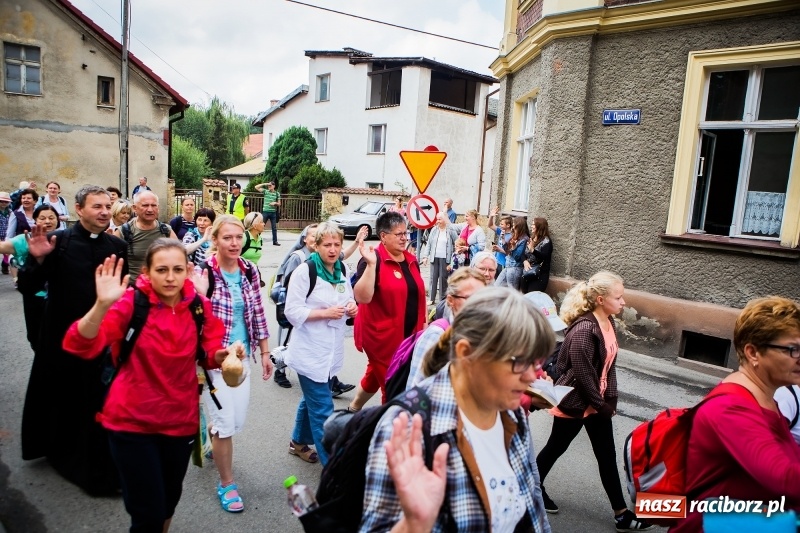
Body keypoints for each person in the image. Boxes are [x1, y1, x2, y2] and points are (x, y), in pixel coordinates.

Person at [62, 242, 230, 532]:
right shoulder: (131, 303)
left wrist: (223, 356)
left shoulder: (198, 307)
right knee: (147, 513)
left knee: (168, 502)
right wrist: (102, 305)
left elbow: (210, 350)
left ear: (187, 272)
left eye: (177, 270)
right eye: (161, 270)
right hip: (131, 422)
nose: (169, 277)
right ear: (147, 272)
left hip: (180, 420)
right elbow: (79, 344)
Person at [361, 287, 554, 532]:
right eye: (518, 361)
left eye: (536, 362)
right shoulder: (409, 425)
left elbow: (532, 509)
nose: (530, 377)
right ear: (466, 353)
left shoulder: (509, 409)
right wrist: (413, 524)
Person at [19, 185, 128, 495]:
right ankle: (58, 450)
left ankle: (93, 463)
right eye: (97, 207)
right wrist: (36, 261)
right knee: (61, 398)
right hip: (59, 338)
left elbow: (120, 296)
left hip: (99, 339)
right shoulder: (59, 242)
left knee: (94, 401)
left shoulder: (116, 246)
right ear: (79, 209)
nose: (105, 212)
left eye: (108, 206)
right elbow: (28, 287)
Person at [535, 271, 654, 532]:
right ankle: (531, 488)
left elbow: (608, 365)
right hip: (576, 401)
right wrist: (602, 405)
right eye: (618, 297)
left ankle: (621, 513)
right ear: (600, 299)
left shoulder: (608, 323)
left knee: (606, 455)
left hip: (596, 401)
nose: (623, 302)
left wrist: (610, 396)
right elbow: (583, 374)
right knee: (556, 447)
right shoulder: (584, 330)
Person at [670, 296, 800, 532]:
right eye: (793, 349)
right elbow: (785, 479)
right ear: (753, 352)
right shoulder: (731, 408)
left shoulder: (767, 400)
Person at [192, 214, 273, 513]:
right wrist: (198, 295)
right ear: (215, 240)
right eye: (227, 237)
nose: (235, 243)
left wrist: (265, 353)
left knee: (235, 422)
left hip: (242, 358)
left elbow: (258, 314)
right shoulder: (204, 273)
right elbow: (192, 320)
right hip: (214, 361)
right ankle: (227, 484)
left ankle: (210, 429)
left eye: (238, 237)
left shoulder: (249, 270)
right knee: (227, 424)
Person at [283, 222, 358, 465]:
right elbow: (292, 311)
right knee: (323, 410)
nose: (333, 249)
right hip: (309, 351)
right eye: (327, 244)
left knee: (314, 398)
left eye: (337, 244)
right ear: (316, 246)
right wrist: (324, 314)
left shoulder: (342, 270)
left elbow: (347, 298)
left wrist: (351, 308)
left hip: (330, 352)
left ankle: (298, 442)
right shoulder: (305, 271)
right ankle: (333, 470)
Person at [349, 211, 426, 410]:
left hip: (409, 334)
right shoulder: (372, 259)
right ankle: (388, 430)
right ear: (383, 236)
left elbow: (418, 296)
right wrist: (371, 265)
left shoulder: (410, 259)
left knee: (376, 374)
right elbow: (362, 297)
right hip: (381, 337)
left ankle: (353, 410)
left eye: (405, 233)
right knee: (394, 385)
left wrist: (424, 325)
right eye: (398, 234)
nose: (404, 238)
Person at [406, 267, 488, 389]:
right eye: (470, 298)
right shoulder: (434, 336)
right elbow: (415, 391)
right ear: (450, 300)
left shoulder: (484, 332)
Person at [0, 204, 59, 349]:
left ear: (58, 220)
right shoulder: (24, 239)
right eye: (42, 218)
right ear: (35, 220)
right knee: (37, 337)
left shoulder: (65, 238)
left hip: (60, 296)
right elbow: (3, 247)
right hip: (34, 294)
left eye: (51, 218)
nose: (47, 221)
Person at [115, 191, 177, 284]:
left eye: (154, 205)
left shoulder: (166, 230)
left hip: (160, 287)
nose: (150, 209)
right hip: (133, 290)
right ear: (134, 208)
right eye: (145, 205)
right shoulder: (123, 232)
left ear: (158, 208)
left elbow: (178, 256)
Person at [421, 213, 459, 305]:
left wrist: (454, 257)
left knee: (443, 278)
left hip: (446, 258)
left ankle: (442, 299)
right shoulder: (434, 230)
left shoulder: (450, 230)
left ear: (445, 220)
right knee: (433, 278)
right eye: (437, 219)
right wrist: (425, 256)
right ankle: (431, 298)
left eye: (440, 219)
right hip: (434, 257)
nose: (438, 221)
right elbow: (429, 244)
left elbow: (457, 242)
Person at [6, 188, 38, 285]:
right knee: (15, 261)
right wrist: (8, 247)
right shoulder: (16, 214)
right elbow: (10, 232)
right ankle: (17, 280)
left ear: (35, 201)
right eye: (23, 198)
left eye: (29, 198)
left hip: (37, 243)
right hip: (21, 243)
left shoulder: (40, 212)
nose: (25, 200)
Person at [494, 216, 529, 291]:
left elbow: (517, 257)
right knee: (496, 287)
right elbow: (507, 251)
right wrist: (503, 239)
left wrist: (513, 248)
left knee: (512, 292)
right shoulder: (515, 236)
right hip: (508, 266)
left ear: (519, 226)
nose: (512, 227)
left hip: (515, 268)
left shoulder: (524, 239)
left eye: (514, 225)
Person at [521, 217, 553, 294]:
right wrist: (525, 261)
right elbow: (523, 253)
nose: (531, 226)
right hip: (527, 273)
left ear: (539, 227)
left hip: (539, 275)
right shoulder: (531, 238)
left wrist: (533, 250)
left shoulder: (546, 242)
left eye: (533, 224)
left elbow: (545, 257)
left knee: (532, 298)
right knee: (524, 297)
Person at [488, 206, 512, 279]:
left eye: (502, 224)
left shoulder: (511, 236)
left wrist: (499, 249)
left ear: (508, 225)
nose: (500, 225)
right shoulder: (501, 231)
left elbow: (510, 253)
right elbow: (490, 225)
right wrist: (491, 216)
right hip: (497, 261)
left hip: (504, 263)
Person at [255, 181, 280, 246]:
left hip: (273, 212)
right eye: (268, 186)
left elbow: (279, 203)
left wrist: (275, 203)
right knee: (261, 226)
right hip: (265, 211)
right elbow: (256, 187)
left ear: (274, 186)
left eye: (270, 185)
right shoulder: (265, 191)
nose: (269, 187)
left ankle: (275, 241)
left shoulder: (277, 193)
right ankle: (255, 239)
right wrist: (265, 184)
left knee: (274, 228)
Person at [0, 191, 11, 274]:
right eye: (1, 201)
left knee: (7, 253)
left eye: (6, 202)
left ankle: (5, 265)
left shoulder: (10, 212)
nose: (3, 203)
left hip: (7, 235)